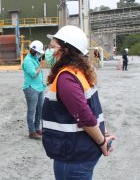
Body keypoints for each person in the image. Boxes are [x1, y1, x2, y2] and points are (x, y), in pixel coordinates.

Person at [42, 25, 116, 179]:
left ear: (66, 50)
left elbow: (85, 116)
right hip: (79, 150)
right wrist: (103, 134)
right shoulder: (79, 73)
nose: (49, 51)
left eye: (53, 47)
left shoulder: (66, 78)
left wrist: (102, 143)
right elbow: (92, 109)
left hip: (73, 156)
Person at [22, 40, 46, 139]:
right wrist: (40, 66)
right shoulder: (28, 60)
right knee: (31, 111)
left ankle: (37, 128)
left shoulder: (35, 59)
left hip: (39, 87)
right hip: (31, 88)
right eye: (38, 53)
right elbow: (34, 74)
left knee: (40, 109)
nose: (39, 55)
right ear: (34, 51)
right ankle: (31, 132)